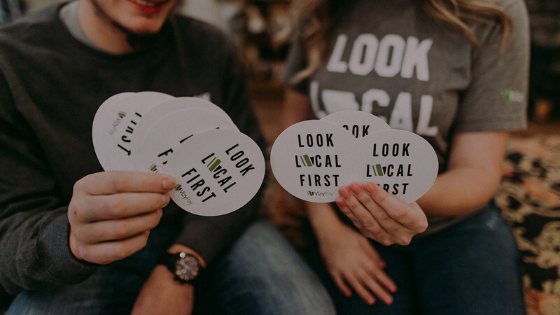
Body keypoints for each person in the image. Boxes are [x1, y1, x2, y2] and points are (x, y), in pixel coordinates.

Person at [0, 1, 336, 314]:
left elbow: (248, 170)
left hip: (205, 230)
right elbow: (9, 234)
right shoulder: (13, 61)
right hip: (86, 257)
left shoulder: (209, 46)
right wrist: (72, 239)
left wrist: (181, 265)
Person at [281, 0, 530, 314]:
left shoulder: (496, 10)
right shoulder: (316, 8)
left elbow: (477, 170)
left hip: (453, 222)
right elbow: (296, 136)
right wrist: (328, 230)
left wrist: (401, 194)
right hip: (346, 220)